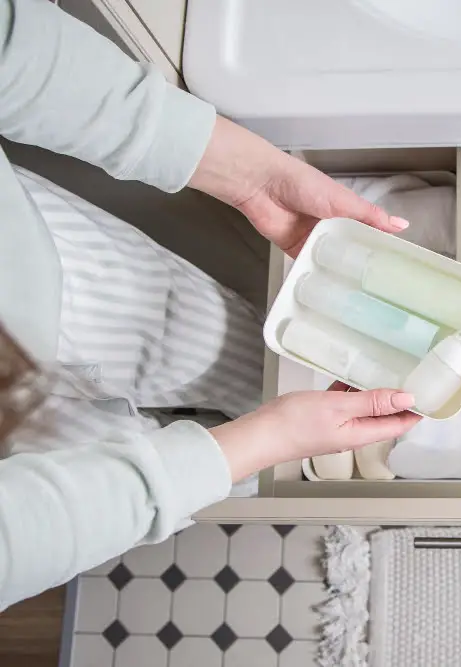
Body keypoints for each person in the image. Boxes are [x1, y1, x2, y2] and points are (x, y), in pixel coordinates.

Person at [0, 0, 421, 610]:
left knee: (234, 359)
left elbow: (15, 49)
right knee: (212, 464)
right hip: (19, 450)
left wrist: (250, 177)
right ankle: (264, 445)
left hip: (46, 260)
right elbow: (26, 533)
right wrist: (262, 442)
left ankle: (262, 435)